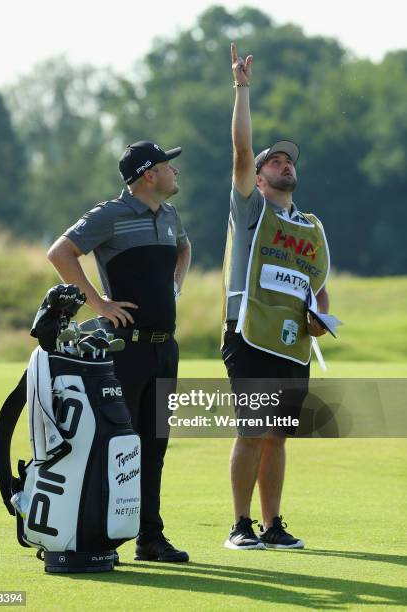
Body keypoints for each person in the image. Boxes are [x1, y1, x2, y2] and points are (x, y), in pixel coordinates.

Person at [47, 140, 191, 562]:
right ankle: (99, 534)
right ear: (149, 174)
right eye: (168, 166)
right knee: (115, 444)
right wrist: (99, 304)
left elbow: (184, 248)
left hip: (166, 350)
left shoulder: (169, 215)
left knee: (155, 445)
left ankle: (150, 538)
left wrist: (176, 284)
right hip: (125, 350)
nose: (174, 172)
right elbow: (61, 252)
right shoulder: (110, 215)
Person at [221, 43, 330, 550]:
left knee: (278, 436)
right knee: (251, 432)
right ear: (259, 177)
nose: (284, 164)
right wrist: (242, 88)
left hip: (291, 342)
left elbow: (318, 287)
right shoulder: (250, 209)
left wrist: (319, 320)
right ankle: (240, 525)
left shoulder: (308, 224)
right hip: (251, 332)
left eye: (289, 160)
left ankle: (272, 525)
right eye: (276, 161)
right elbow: (242, 149)